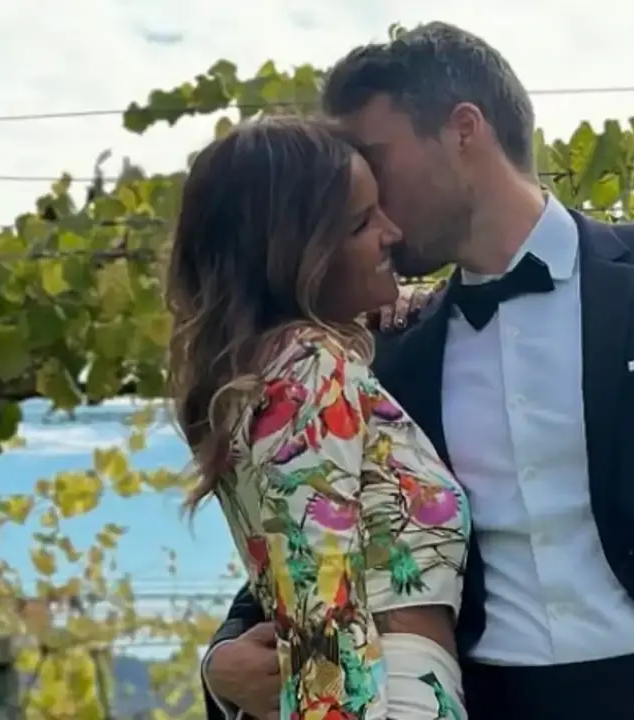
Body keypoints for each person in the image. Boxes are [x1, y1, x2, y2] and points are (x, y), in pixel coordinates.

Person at [203, 21, 634, 720]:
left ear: (463, 131)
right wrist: (221, 661)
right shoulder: (392, 351)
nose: (360, 192)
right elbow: (316, 528)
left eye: (372, 158)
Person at [167, 118, 472, 719]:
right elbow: (323, 618)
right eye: (361, 223)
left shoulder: (287, 369)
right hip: (386, 699)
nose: (392, 232)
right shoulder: (308, 367)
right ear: (297, 255)